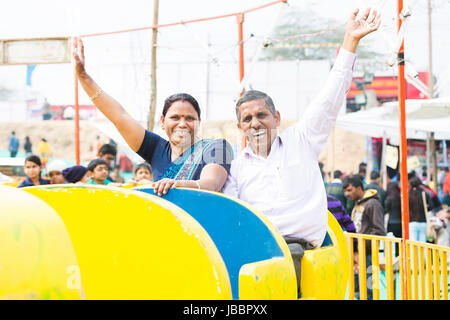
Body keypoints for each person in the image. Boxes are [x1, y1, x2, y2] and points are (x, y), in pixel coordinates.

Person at [222, 8, 381, 296]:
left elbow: (330, 95)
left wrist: (350, 40)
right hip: (258, 253)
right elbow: (236, 215)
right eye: (247, 119)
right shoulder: (235, 167)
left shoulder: (302, 140)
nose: (255, 122)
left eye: (262, 115)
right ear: (240, 127)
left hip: (298, 253)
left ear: (277, 118)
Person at [73, 37, 233, 196]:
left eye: (190, 118)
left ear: (199, 122)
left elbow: (211, 184)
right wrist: (83, 76)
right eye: (175, 117)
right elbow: (119, 116)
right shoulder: (157, 149)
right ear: (163, 122)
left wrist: (178, 185)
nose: (182, 124)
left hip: (201, 220)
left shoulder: (217, 148)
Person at [343, 174, 385, 300]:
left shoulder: (373, 204)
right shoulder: (357, 205)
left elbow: (379, 230)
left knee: (368, 291)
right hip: (358, 254)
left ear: (359, 188)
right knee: (357, 291)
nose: (347, 194)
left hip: (368, 254)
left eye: (349, 190)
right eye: (345, 191)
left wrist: (361, 244)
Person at [408, 176, 431, 242]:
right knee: (423, 244)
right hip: (423, 221)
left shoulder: (408, 195)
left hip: (412, 221)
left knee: (413, 244)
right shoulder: (424, 194)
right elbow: (431, 206)